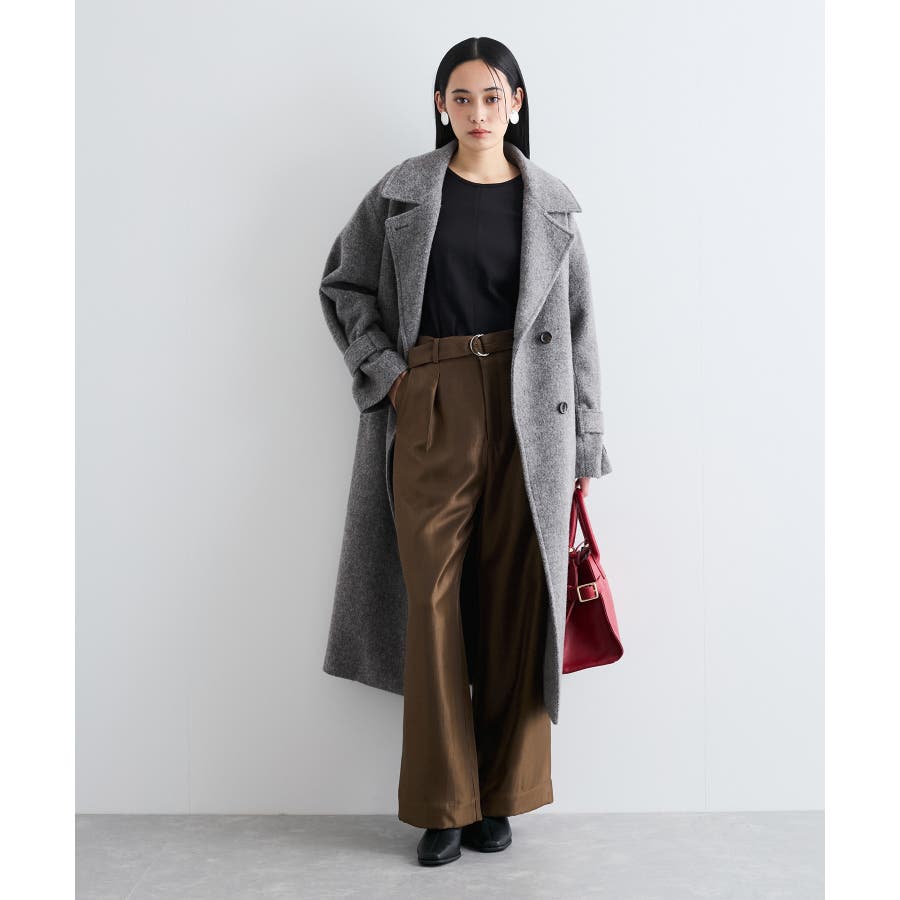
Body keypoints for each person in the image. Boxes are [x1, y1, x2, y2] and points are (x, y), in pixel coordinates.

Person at [319, 36, 612, 867]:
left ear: (517, 102)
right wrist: (391, 378)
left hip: (532, 413)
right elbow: (342, 285)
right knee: (434, 601)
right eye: (461, 97)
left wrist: (586, 443)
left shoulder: (552, 205)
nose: (477, 112)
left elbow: (580, 332)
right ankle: (444, 803)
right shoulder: (404, 191)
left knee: (518, 598)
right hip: (433, 400)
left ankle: (503, 797)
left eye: (492, 96)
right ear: (440, 106)